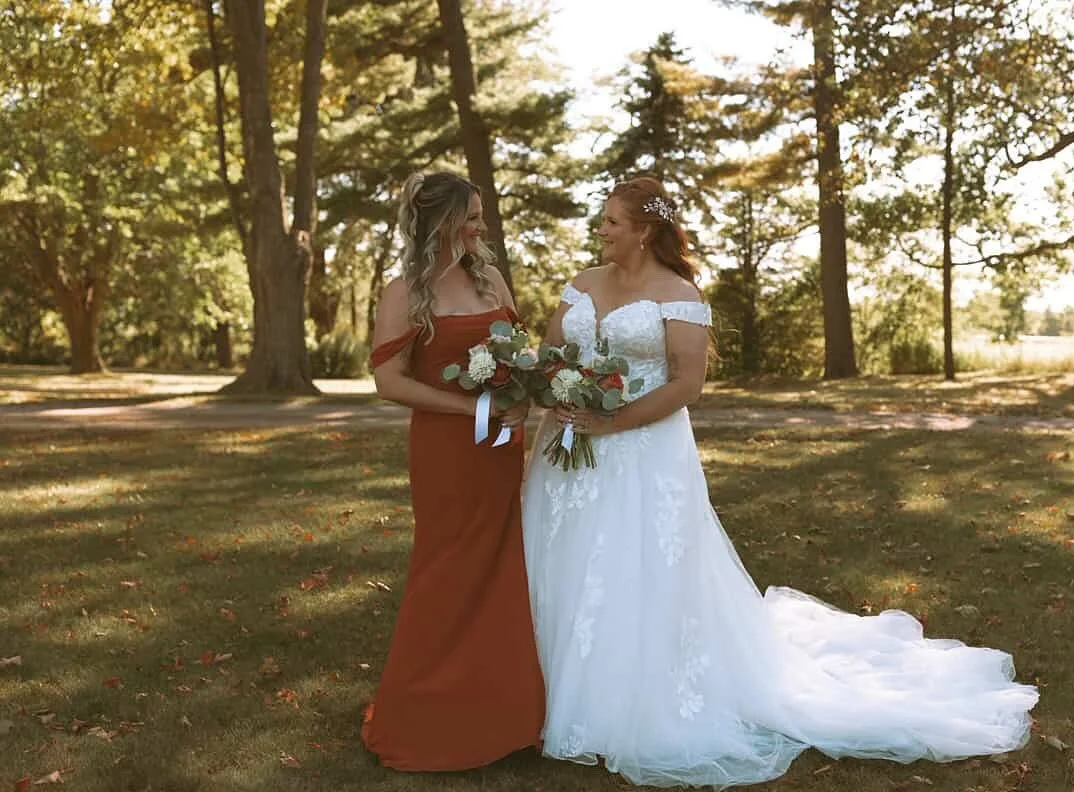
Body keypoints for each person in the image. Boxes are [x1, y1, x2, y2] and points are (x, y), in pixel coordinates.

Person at [521, 175, 1038, 788]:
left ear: (645, 230)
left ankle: (627, 699)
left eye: (611, 221)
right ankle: (541, 692)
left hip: (642, 451)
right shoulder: (580, 285)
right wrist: (557, 398)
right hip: (570, 445)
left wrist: (612, 423)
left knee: (636, 566)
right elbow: (551, 356)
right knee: (566, 560)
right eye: (602, 220)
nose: (601, 230)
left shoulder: (678, 294)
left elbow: (686, 384)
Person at [361, 171, 544, 771]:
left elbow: (519, 353)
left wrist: (517, 394)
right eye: (471, 216)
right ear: (439, 221)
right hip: (445, 449)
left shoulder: (489, 279)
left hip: (498, 447)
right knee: (446, 569)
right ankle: (427, 711)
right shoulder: (403, 291)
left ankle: (505, 712)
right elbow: (390, 381)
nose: (480, 226)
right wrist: (470, 406)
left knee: (502, 565)